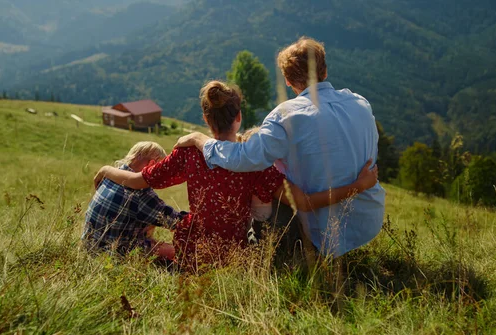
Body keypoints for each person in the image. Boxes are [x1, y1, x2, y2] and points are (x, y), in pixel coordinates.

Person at [94, 80, 378, 271]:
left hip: (193, 249)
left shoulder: (189, 153)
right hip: (234, 256)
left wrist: (107, 170)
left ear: (206, 119)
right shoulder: (258, 166)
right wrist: (359, 185)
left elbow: (136, 181)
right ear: (238, 117)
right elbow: (303, 202)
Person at [175, 37, 386, 258]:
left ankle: (265, 251)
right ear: (324, 72)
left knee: (265, 179)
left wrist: (200, 140)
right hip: (367, 222)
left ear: (287, 80)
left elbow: (243, 159)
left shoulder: (287, 116)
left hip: (322, 234)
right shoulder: (360, 103)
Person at [82, 141, 187, 260]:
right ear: (152, 164)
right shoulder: (140, 193)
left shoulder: (109, 177)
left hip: (89, 247)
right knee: (177, 251)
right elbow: (176, 222)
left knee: (148, 222)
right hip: (113, 255)